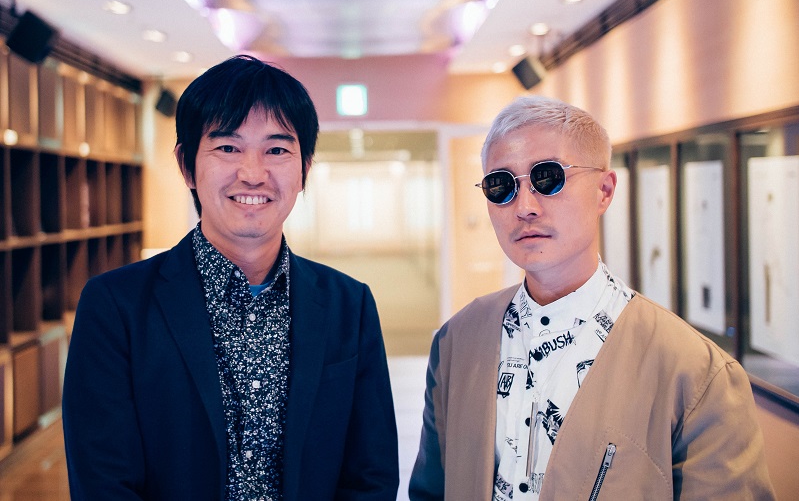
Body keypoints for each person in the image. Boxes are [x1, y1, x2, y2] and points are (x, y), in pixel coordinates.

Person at [63, 55, 399, 500]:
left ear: (304, 169)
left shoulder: (348, 305)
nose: (253, 174)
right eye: (227, 147)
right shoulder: (115, 306)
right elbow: (102, 482)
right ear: (187, 166)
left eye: (277, 150)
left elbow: (371, 475)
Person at [408, 96, 774, 500]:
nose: (525, 207)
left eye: (548, 178)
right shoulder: (458, 341)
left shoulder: (694, 371)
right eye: (502, 186)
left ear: (604, 190)